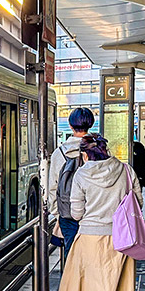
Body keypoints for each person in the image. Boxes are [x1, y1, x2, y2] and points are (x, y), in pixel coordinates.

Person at [54, 134, 144, 291]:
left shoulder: (82, 175)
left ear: (85, 154)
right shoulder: (125, 170)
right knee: (123, 290)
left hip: (90, 240)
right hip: (122, 240)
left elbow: (76, 213)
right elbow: (138, 203)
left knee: (93, 290)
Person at [48, 107, 93, 259]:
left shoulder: (59, 153)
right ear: (90, 124)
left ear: (71, 126)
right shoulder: (100, 149)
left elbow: (52, 188)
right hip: (95, 214)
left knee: (72, 257)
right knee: (93, 258)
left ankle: (71, 282)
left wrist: (58, 213)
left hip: (68, 215)